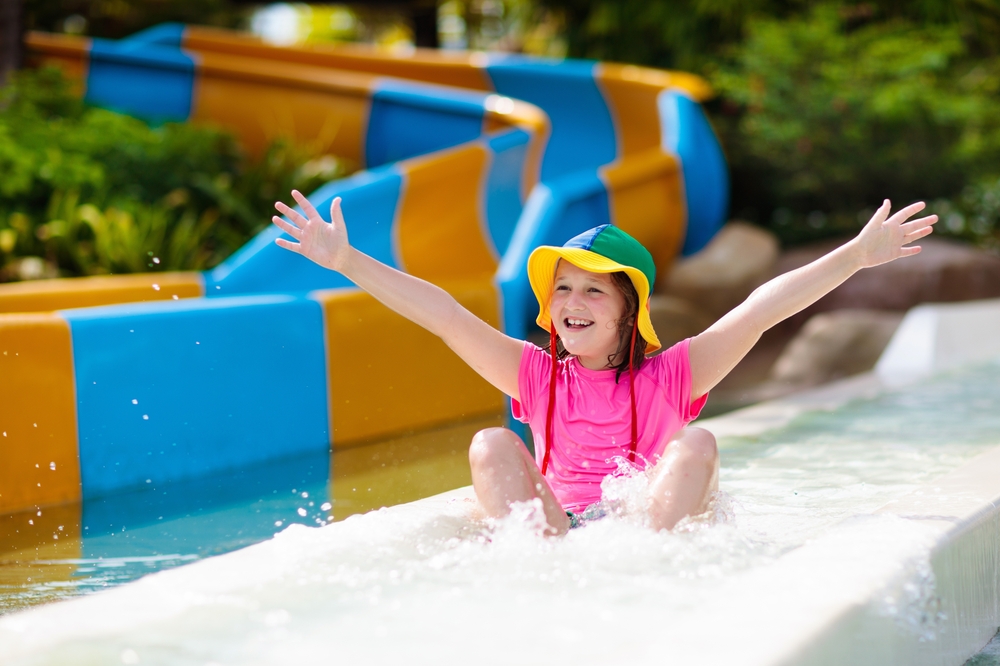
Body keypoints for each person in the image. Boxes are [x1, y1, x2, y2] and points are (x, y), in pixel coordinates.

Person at [272, 191, 936, 535]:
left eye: (593, 289)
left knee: (699, 439)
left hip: (639, 528)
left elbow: (759, 311)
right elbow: (444, 315)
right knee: (489, 445)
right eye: (561, 288)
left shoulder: (672, 374)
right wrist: (347, 262)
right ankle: (529, 563)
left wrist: (852, 256)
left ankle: (649, 558)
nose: (571, 301)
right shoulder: (536, 375)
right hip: (555, 530)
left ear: (630, 311)